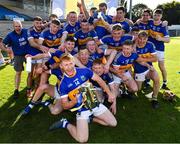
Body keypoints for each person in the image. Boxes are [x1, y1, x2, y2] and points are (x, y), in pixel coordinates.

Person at [49, 53, 117, 143]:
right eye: (66, 65)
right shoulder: (63, 85)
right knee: (82, 140)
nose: (69, 67)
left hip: (94, 103)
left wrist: (109, 93)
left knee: (113, 123)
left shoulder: (84, 71)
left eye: (70, 64)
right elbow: (65, 106)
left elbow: (99, 80)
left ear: (74, 63)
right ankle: (65, 124)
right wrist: (75, 100)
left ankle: (91, 118)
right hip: (82, 110)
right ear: (61, 66)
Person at [0, 20, 29, 99]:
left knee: (31, 71)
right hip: (18, 56)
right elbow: (2, 43)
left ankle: (30, 86)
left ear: (21, 25)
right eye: (16, 26)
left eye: (19, 26)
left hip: (28, 55)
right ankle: (16, 90)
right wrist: (6, 50)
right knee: (18, 73)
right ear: (13, 27)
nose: (18, 28)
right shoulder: (10, 35)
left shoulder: (26, 31)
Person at [134, 31, 160, 108]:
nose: (142, 41)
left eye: (144, 39)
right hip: (138, 71)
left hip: (149, 69)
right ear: (137, 38)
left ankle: (154, 98)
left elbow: (155, 59)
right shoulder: (134, 46)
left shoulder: (150, 45)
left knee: (156, 78)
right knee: (137, 89)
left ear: (147, 39)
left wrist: (141, 59)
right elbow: (136, 59)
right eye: (140, 38)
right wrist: (147, 59)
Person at [148, 9, 170, 89]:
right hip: (149, 48)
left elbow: (168, 40)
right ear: (153, 15)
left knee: (161, 66)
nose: (156, 16)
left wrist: (161, 39)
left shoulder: (163, 26)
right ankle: (147, 81)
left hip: (159, 49)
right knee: (148, 65)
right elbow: (142, 20)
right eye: (155, 15)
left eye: (158, 15)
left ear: (161, 16)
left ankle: (164, 82)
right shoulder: (149, 22)